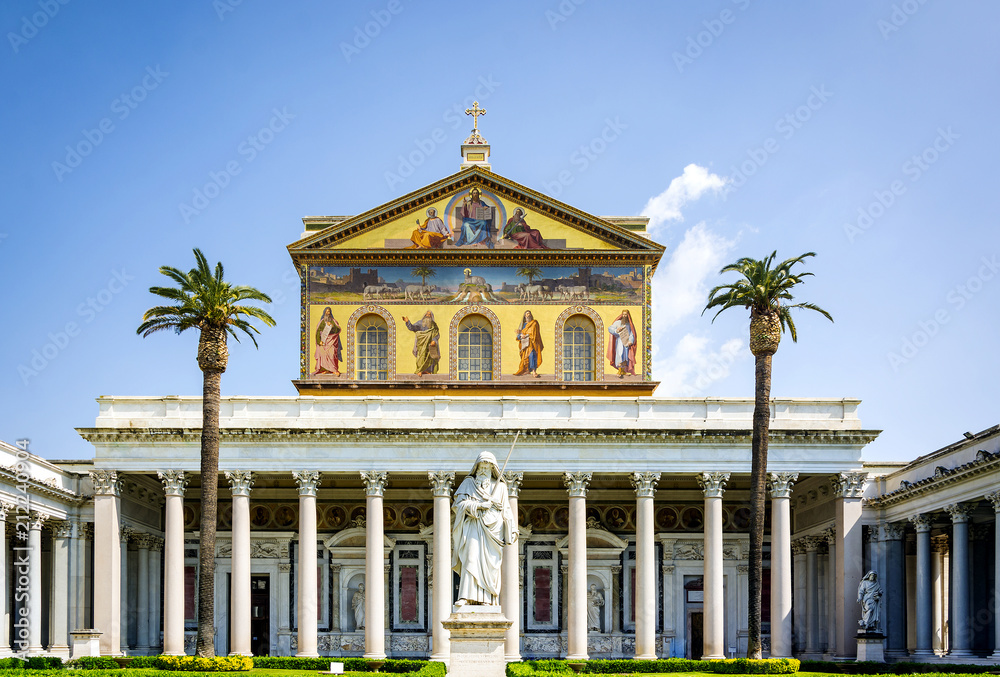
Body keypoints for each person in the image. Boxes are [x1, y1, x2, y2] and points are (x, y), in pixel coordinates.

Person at [452, 451, 517, 606]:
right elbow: (459, 505)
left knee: (490, 565)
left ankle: (486, 599)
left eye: (487, 467)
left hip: (493, 530)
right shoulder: (468, 484)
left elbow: (506, 509)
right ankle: (465, 596)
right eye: (482, 466)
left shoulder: (500, 487)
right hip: (474, 526)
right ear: (477, 467)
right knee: (471, 558)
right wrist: (480, 505)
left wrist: (512, 528)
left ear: (493, 469)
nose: (484, 470)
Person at [402, 310, 440, 375]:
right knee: (421, 357)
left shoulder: (434, 325)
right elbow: (413, 328)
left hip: (430, 344)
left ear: (431, 316)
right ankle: (420, 370)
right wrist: (407, 322)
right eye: (427, 314)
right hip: (421, 343)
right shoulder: (420, 323)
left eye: (429, 315)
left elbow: (436, 333)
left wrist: (434, 340)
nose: (428, 316)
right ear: (425, 315)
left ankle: (428, 371)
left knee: (430, 357)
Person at [607, 309, 637, 378]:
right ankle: (619, 370)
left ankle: (623, 371)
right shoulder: (617, 323)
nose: (624, 316)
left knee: (625, 357)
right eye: (623, 314)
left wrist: (630, 341)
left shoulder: (629, 325)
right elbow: (610, 328)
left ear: (628, 316)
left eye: (626, 314)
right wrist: (616, 330)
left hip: (626, 343)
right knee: (620, 355)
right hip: (620, 341)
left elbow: (632, 334)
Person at [513, 310, 543, 377]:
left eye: (529, 314)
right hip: (524, 344)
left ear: (531, 315)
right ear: (524, 316)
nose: (528, 315)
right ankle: (526, 370)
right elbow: (518, 335)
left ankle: (534, 371)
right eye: (526, 314)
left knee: (532, 355)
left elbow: (535, 333)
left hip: (532, 342)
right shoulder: (523, 324)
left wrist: (526, 335)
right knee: (525, 358)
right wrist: (521, 335)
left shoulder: (534, 323)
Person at [313, 307, 342, 376]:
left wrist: (332, 326)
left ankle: (334, 370)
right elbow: (317, 332)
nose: (327, 313)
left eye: (328, 311)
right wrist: (319, 341)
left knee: (332, 353)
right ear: (324, 313)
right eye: (326, 311)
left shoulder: (333, 321)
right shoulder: (321, 322)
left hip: (332, 341)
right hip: (323, 342)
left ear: (330, 313)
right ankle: (325, 369)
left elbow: (338, 330)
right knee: (322, 352)